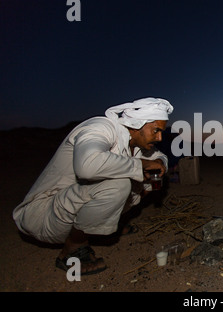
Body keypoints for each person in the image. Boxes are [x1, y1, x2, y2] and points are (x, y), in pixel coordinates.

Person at [12, 97, 174, 275]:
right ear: (137, 124)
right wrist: (140, 165)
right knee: (119, 183)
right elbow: (87, 166)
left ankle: (109, 222)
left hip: (70, 215)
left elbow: (160, 157)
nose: (159, 138)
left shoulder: (135, 144)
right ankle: (74, 247)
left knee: (149, 178)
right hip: (43, 217)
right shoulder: (100, 127)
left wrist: (159, 162)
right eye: (156, 131)